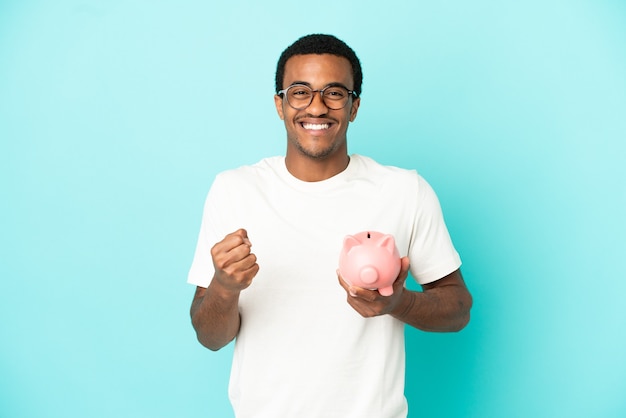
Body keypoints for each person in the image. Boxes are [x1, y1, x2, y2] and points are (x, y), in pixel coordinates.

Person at [188, 33, 472, 418]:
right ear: (280, 104)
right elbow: (210, 337)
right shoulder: (235, 189)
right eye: (300, 92)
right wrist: (224, 286)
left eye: (335, 93)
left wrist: (398, 302)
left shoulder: (405, 190)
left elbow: (458, 310)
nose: (317, 107)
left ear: (354, 107)